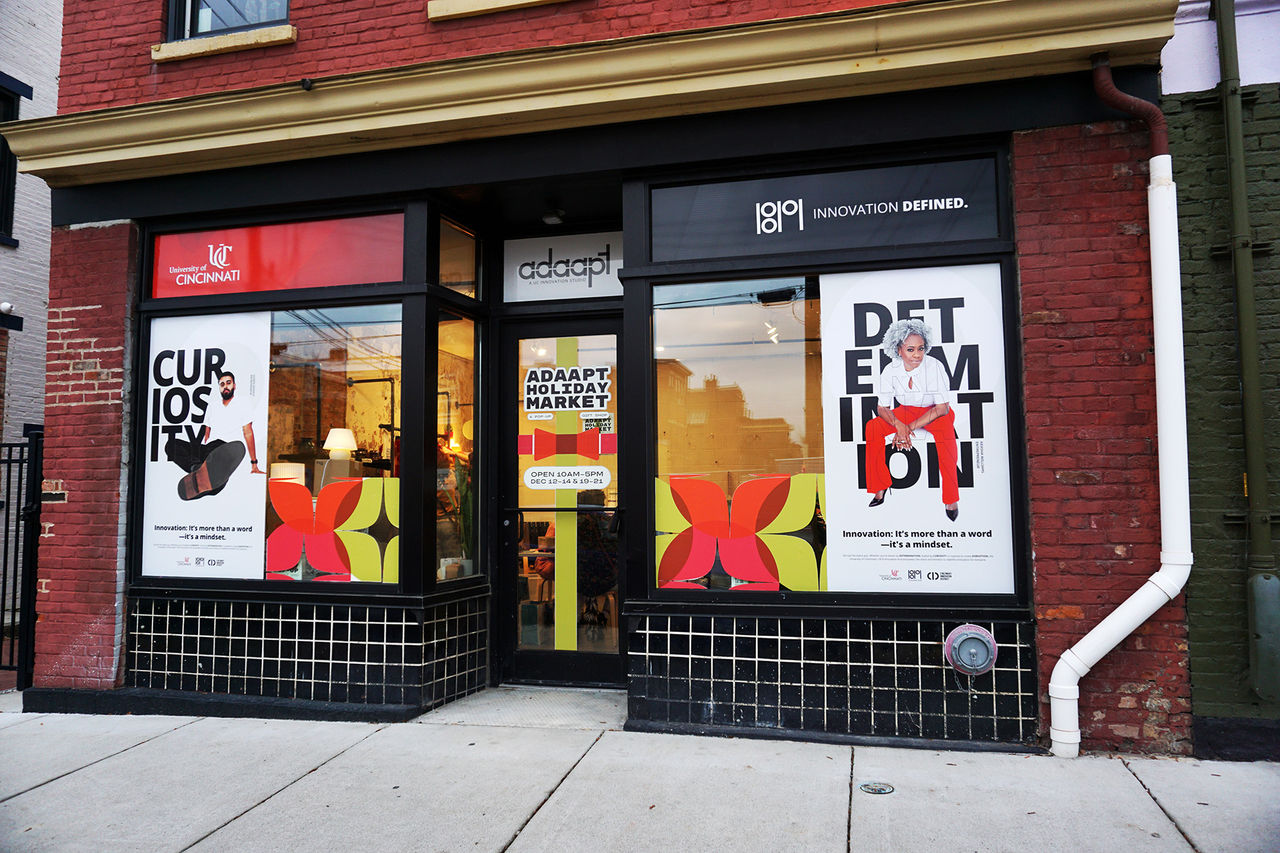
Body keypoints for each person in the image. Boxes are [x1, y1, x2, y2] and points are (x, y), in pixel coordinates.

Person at [864, 318, 960, 521]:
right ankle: (879, 486)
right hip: (906, 411)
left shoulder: (934, 366)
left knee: (947, 439)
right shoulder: (890, 370)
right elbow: (882, 407)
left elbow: (942, 408)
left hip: (935, 412)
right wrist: (898, 424)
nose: (917, 354)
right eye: (910, 349)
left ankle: (951, 498)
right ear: (898, 349)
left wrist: (906, 429)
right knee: (872, 427)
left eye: (920, 348)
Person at [165, 370, 264, 500]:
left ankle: (209, 479)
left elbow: (248, 432)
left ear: (234, 385)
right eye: (222, 384)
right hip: (207, 452)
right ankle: (197, 468)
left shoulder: (243, 402)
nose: (225, 386)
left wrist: (254, 463)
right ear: (219, 387)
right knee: (171, 445)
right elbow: (207, 432)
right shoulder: (212, 405)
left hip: (226, 449)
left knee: (217, 467)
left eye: (228, 383)